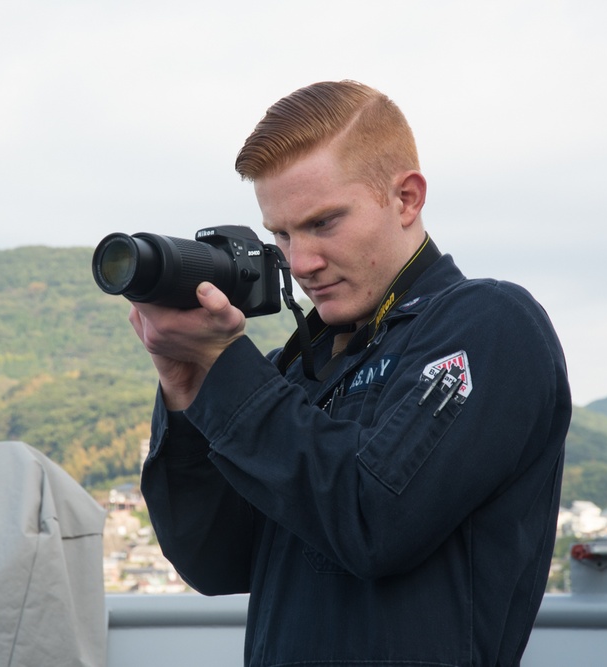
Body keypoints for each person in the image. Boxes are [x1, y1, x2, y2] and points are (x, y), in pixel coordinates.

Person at [131, 80, 571, 666]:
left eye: (324, 223)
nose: (301, 263)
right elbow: (214, 560)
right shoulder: (294, 370)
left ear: (407, 198)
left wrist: (226, 367)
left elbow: (376, 520)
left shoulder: (490, 325)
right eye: (281, 235)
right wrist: (187, 390)